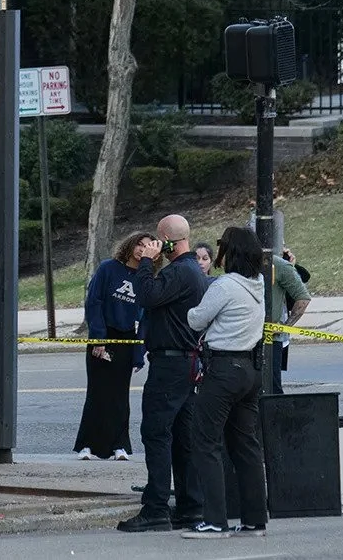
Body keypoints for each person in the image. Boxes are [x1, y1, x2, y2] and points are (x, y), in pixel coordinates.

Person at [117, 214, 209, 533]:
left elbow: (146, 296)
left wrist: (145, 262)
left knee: (156, 433)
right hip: (183, 364)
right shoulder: (189, 271)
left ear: (168, 240)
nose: (155, 245)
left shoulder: (180, 271)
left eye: (159, 239)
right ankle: (190, 506)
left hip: (170, 365)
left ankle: (155, 507)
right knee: (183, 437)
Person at [182, 226, 268, 539]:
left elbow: (196, 319)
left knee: (205, 443)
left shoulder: (225, 285)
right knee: (246, 446)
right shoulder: (257, 284)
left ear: (229, 252)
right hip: (249, 370)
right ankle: (255, 520)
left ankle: (215, 521)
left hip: (222, 371)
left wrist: (192, 307)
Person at [74, 231, 150, 461]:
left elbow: (145, 317)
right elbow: (94, 302)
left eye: (148, 246)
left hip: (127, 339)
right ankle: (87, 444)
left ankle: (120, 445)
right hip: (104, 335)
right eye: (139, 244)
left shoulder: (146, 278)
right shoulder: (109, 268)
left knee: (119, 396)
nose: (142, 249)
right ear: (130, 245)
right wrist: (98, 339)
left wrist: (139, 353)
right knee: (97, 392)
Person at [268, 254, 310, 394]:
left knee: (271, 388)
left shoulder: (279, 265)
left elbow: (303, 297)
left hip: (272, 339)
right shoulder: (241, 264)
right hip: (247, 338)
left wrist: (285, 326)